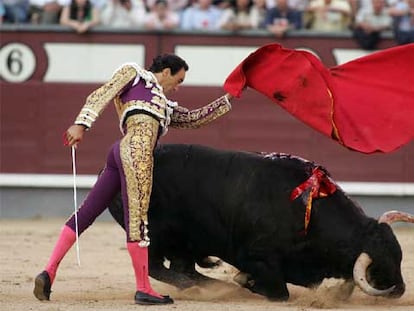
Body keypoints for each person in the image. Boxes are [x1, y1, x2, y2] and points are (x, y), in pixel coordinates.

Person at [33, 54, 234, 305]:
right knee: (137, 220)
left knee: (86, 213)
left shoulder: (164, 104)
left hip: (120, 152)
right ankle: (143, 289)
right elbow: (103, 93)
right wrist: (81, 125)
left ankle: (48, 272)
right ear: (166, 72)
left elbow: (194, 118)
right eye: (178, 79)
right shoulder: (134, 73)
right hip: (137, 151)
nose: (178, 86)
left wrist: (229, 98)